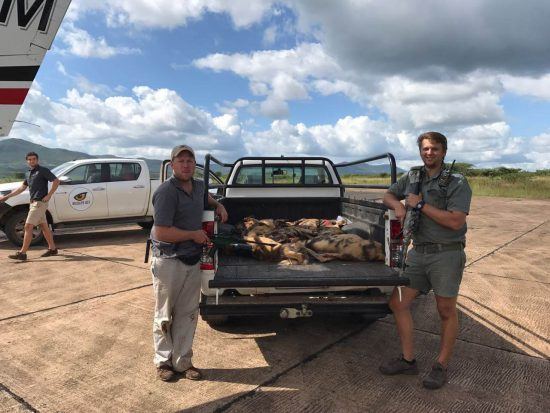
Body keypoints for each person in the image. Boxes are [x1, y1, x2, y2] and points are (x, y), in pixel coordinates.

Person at [379, 132, 472, 390]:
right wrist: (397, 207)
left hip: (446, 253)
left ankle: (441, 365)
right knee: (398, 303)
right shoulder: (413, 176)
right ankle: (409, 361)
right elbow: (388, 195)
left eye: (435, 149)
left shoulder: (456, 181)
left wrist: (419, 206)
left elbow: (456, 221)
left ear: (444, 151)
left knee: (445, 310)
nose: (429, 153)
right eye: (425, 148)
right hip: (418, 252)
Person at [150, 144, 228, 382]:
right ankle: (163, 362)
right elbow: (161, 232)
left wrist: (219, 205)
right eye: (181, 161)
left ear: (195, 165)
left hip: (192, 260)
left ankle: (183, 362)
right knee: (164, 315)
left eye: (190, 161)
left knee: (188, 314)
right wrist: (193, 235)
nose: (186, 165)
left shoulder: (198, 186)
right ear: (172, 164)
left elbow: (205, 196)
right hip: (168, 261)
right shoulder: (166, 192)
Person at [0, 151, 60, 261]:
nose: (32, 161)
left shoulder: (43, 171)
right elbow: (21, 189)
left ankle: (22, 253)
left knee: (27, 227)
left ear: (37, 160)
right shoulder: (28, 173)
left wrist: (49, 195)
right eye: (30, 159)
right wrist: (6, 197)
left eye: (34, 159)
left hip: (39, 203)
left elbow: (56, 181)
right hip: (33, 203)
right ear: (27, 161)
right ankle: (53, 249)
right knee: (44, 227)